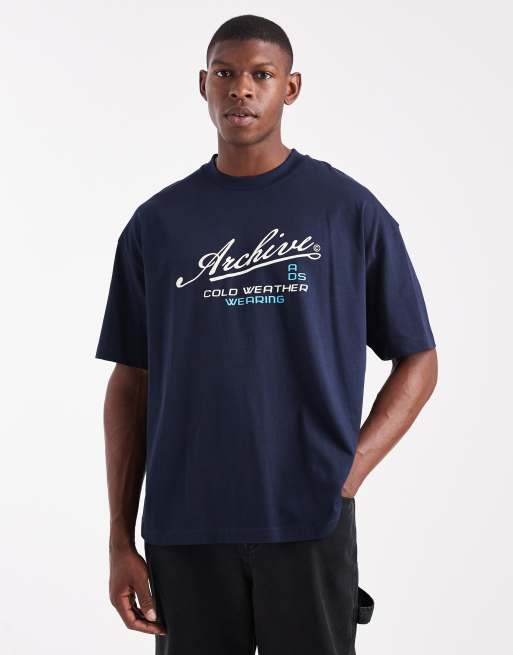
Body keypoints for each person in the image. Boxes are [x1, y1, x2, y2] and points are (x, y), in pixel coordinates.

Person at [95, 14, 438, 655]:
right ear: (203, 84)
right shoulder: (158, 224)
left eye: (261, 74)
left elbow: (418, 358)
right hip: (185, 526)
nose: (241, 89)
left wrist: (347, 475)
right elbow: (130, 381)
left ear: (291, 87)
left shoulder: (347, 211)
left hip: (309, 520)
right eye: (225, 73)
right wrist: (120, 537)